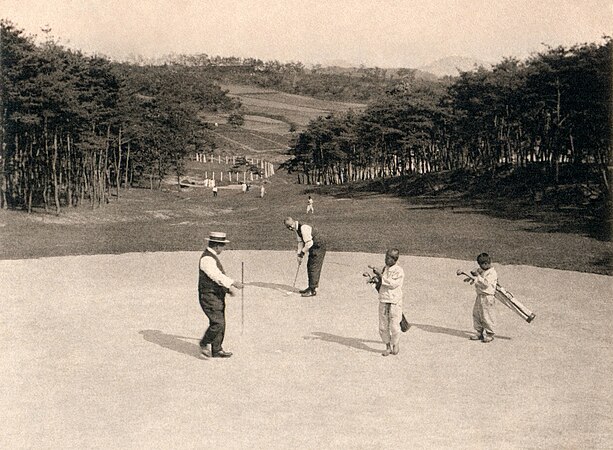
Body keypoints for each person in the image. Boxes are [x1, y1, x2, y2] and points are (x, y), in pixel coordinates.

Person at [198, 231, 244, 358]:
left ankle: (217, 349)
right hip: (209, 296)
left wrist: (227, 289)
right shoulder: (207, 259)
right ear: (217, 246)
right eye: (223, 245)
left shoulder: (211, 257)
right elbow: (216, 276)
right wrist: (233, 283)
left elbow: (217, 279)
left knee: (220, 322)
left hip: (216, 296)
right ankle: (204, 343)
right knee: (218, 323)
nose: (223, 248)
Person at [370, 249, 405, 356]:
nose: (386, 260)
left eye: (388, 258)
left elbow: (392, 284)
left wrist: (380, 276)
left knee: (394, 326)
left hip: (394, 301)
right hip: (384, 300)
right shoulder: (385, 269)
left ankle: (395, 343)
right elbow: (382, 281)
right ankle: (387, 346)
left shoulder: (399, 271)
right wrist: (375, 280)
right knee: (383, 326)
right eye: (385, 257)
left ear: (395, 259)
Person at [284, 217, 326, 297]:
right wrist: (299, 255)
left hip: (318, 245)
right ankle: (311, 287)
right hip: (313, 245)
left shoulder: (303, 228)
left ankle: (312, 290)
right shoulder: (296, 229)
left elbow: (309, 243)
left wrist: (302, 253)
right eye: (288, 227)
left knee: (313, 266)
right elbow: (300, 242)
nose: (290, 228)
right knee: (310, 265)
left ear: (292, 223)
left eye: (290, 226)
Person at [470, 253, 498, 343]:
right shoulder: (483, 271)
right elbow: (478, 279)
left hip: (487, 297)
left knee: (487, 315)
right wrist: (472, 277)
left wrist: (477, 275)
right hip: (480, 296)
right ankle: (479, 332)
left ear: (486, 263)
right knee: (477, 314)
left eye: (482, 264)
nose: (481, 267)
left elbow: (485, 283)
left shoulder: (492, 273)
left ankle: (490, 333)